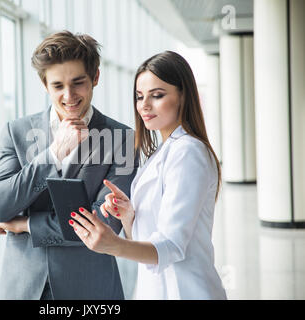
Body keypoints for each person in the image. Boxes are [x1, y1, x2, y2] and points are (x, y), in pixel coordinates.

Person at [0, 31, 138, 300]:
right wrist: (54, 153)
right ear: (45, 85)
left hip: (90, 291)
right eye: (57, 86)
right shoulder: (16, 131)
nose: (69, 96)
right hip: (21, 288)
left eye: (78, 83)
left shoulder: (122, 139)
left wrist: (25, 224)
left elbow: (105, 226)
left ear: (96, 78)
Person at [69, 51, 227, 300]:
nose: (144, 105)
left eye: (157, 95)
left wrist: (113, 245)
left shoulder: (188, 152)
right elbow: (149, 237)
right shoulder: (161, 151)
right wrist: (130, 215)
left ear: (183, 96)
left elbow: (171, 247)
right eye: (139, 96)